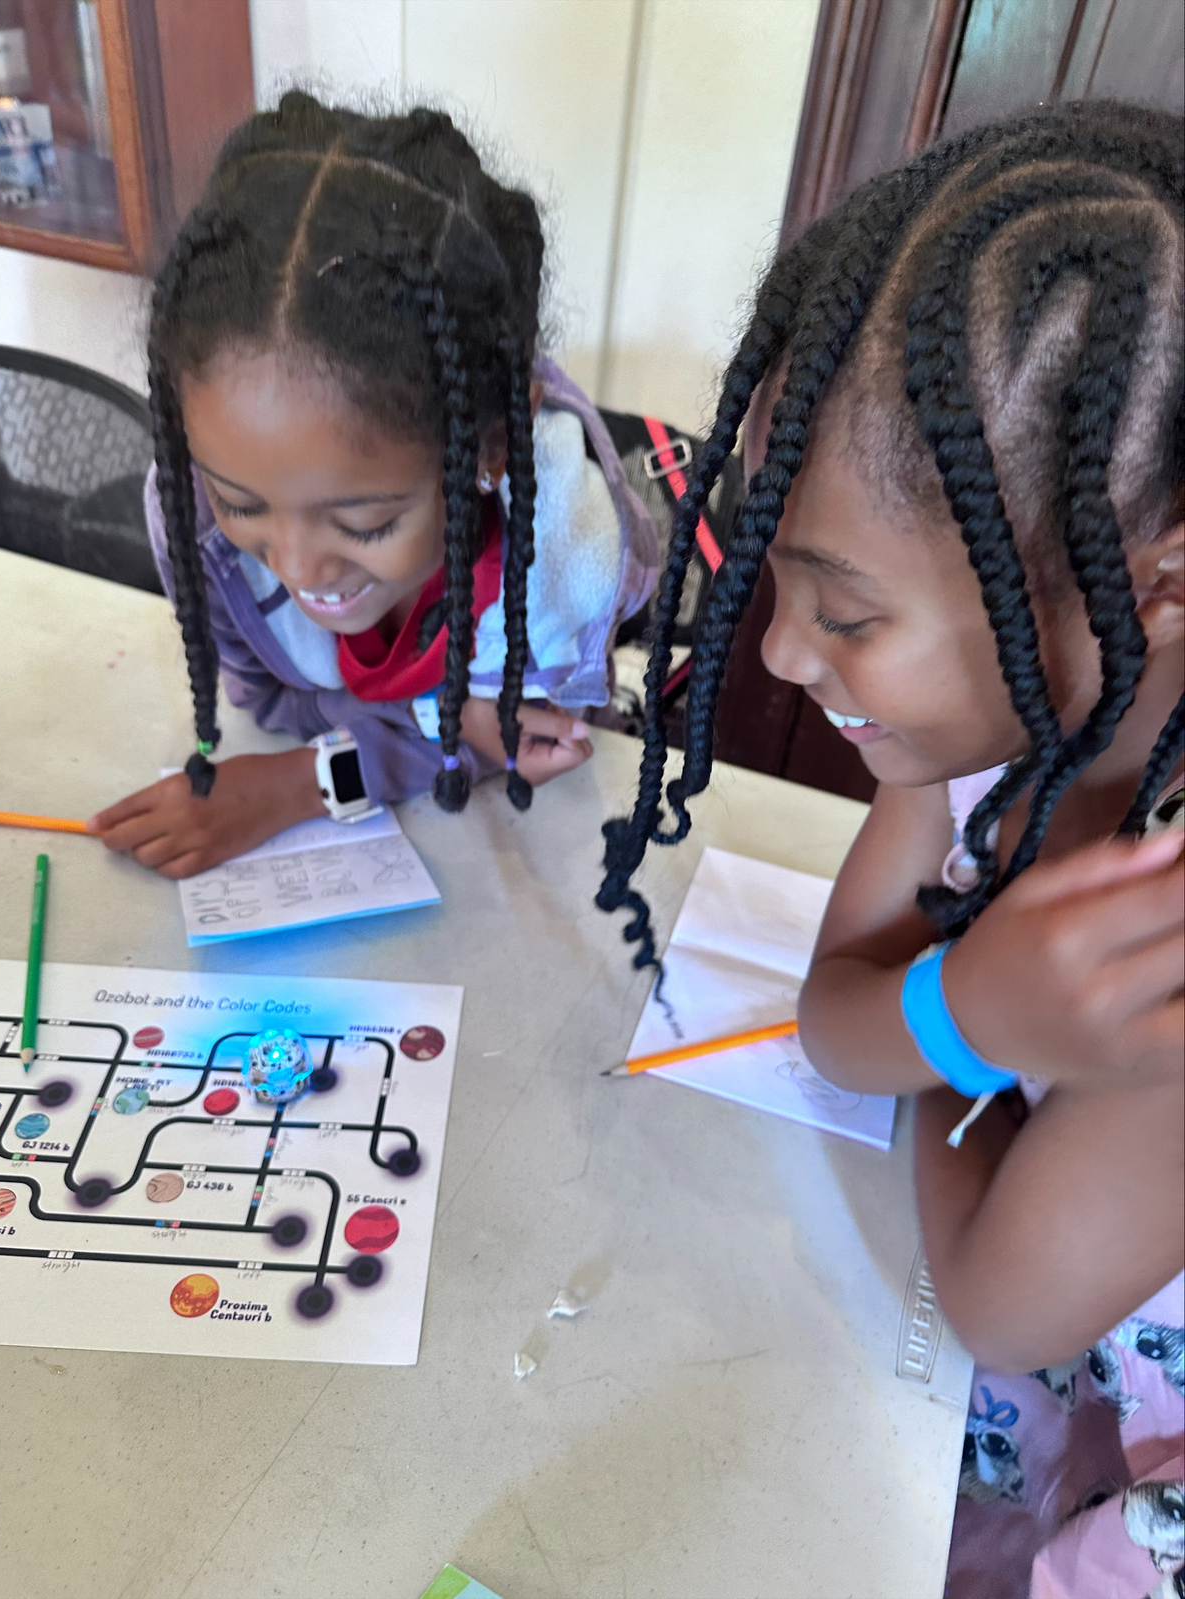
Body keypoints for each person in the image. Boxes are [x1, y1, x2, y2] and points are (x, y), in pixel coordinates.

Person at [597, 100, 1183, 1597]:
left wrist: (953, 1026)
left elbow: (1000, 1298)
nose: (786, 655)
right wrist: (970, 1009)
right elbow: (833, 1016)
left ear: (1152, 583)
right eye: (779, 584)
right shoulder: (992, 738)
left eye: (848, 613)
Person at [88, 92, 656, 878]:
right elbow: (275, 704)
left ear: (495, 447)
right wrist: (437, 731)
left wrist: (305, 784)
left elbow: (534, 739)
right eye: (244, 502)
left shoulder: (559, 566)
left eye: (363, 524)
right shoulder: (198, 524)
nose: (298, 567)